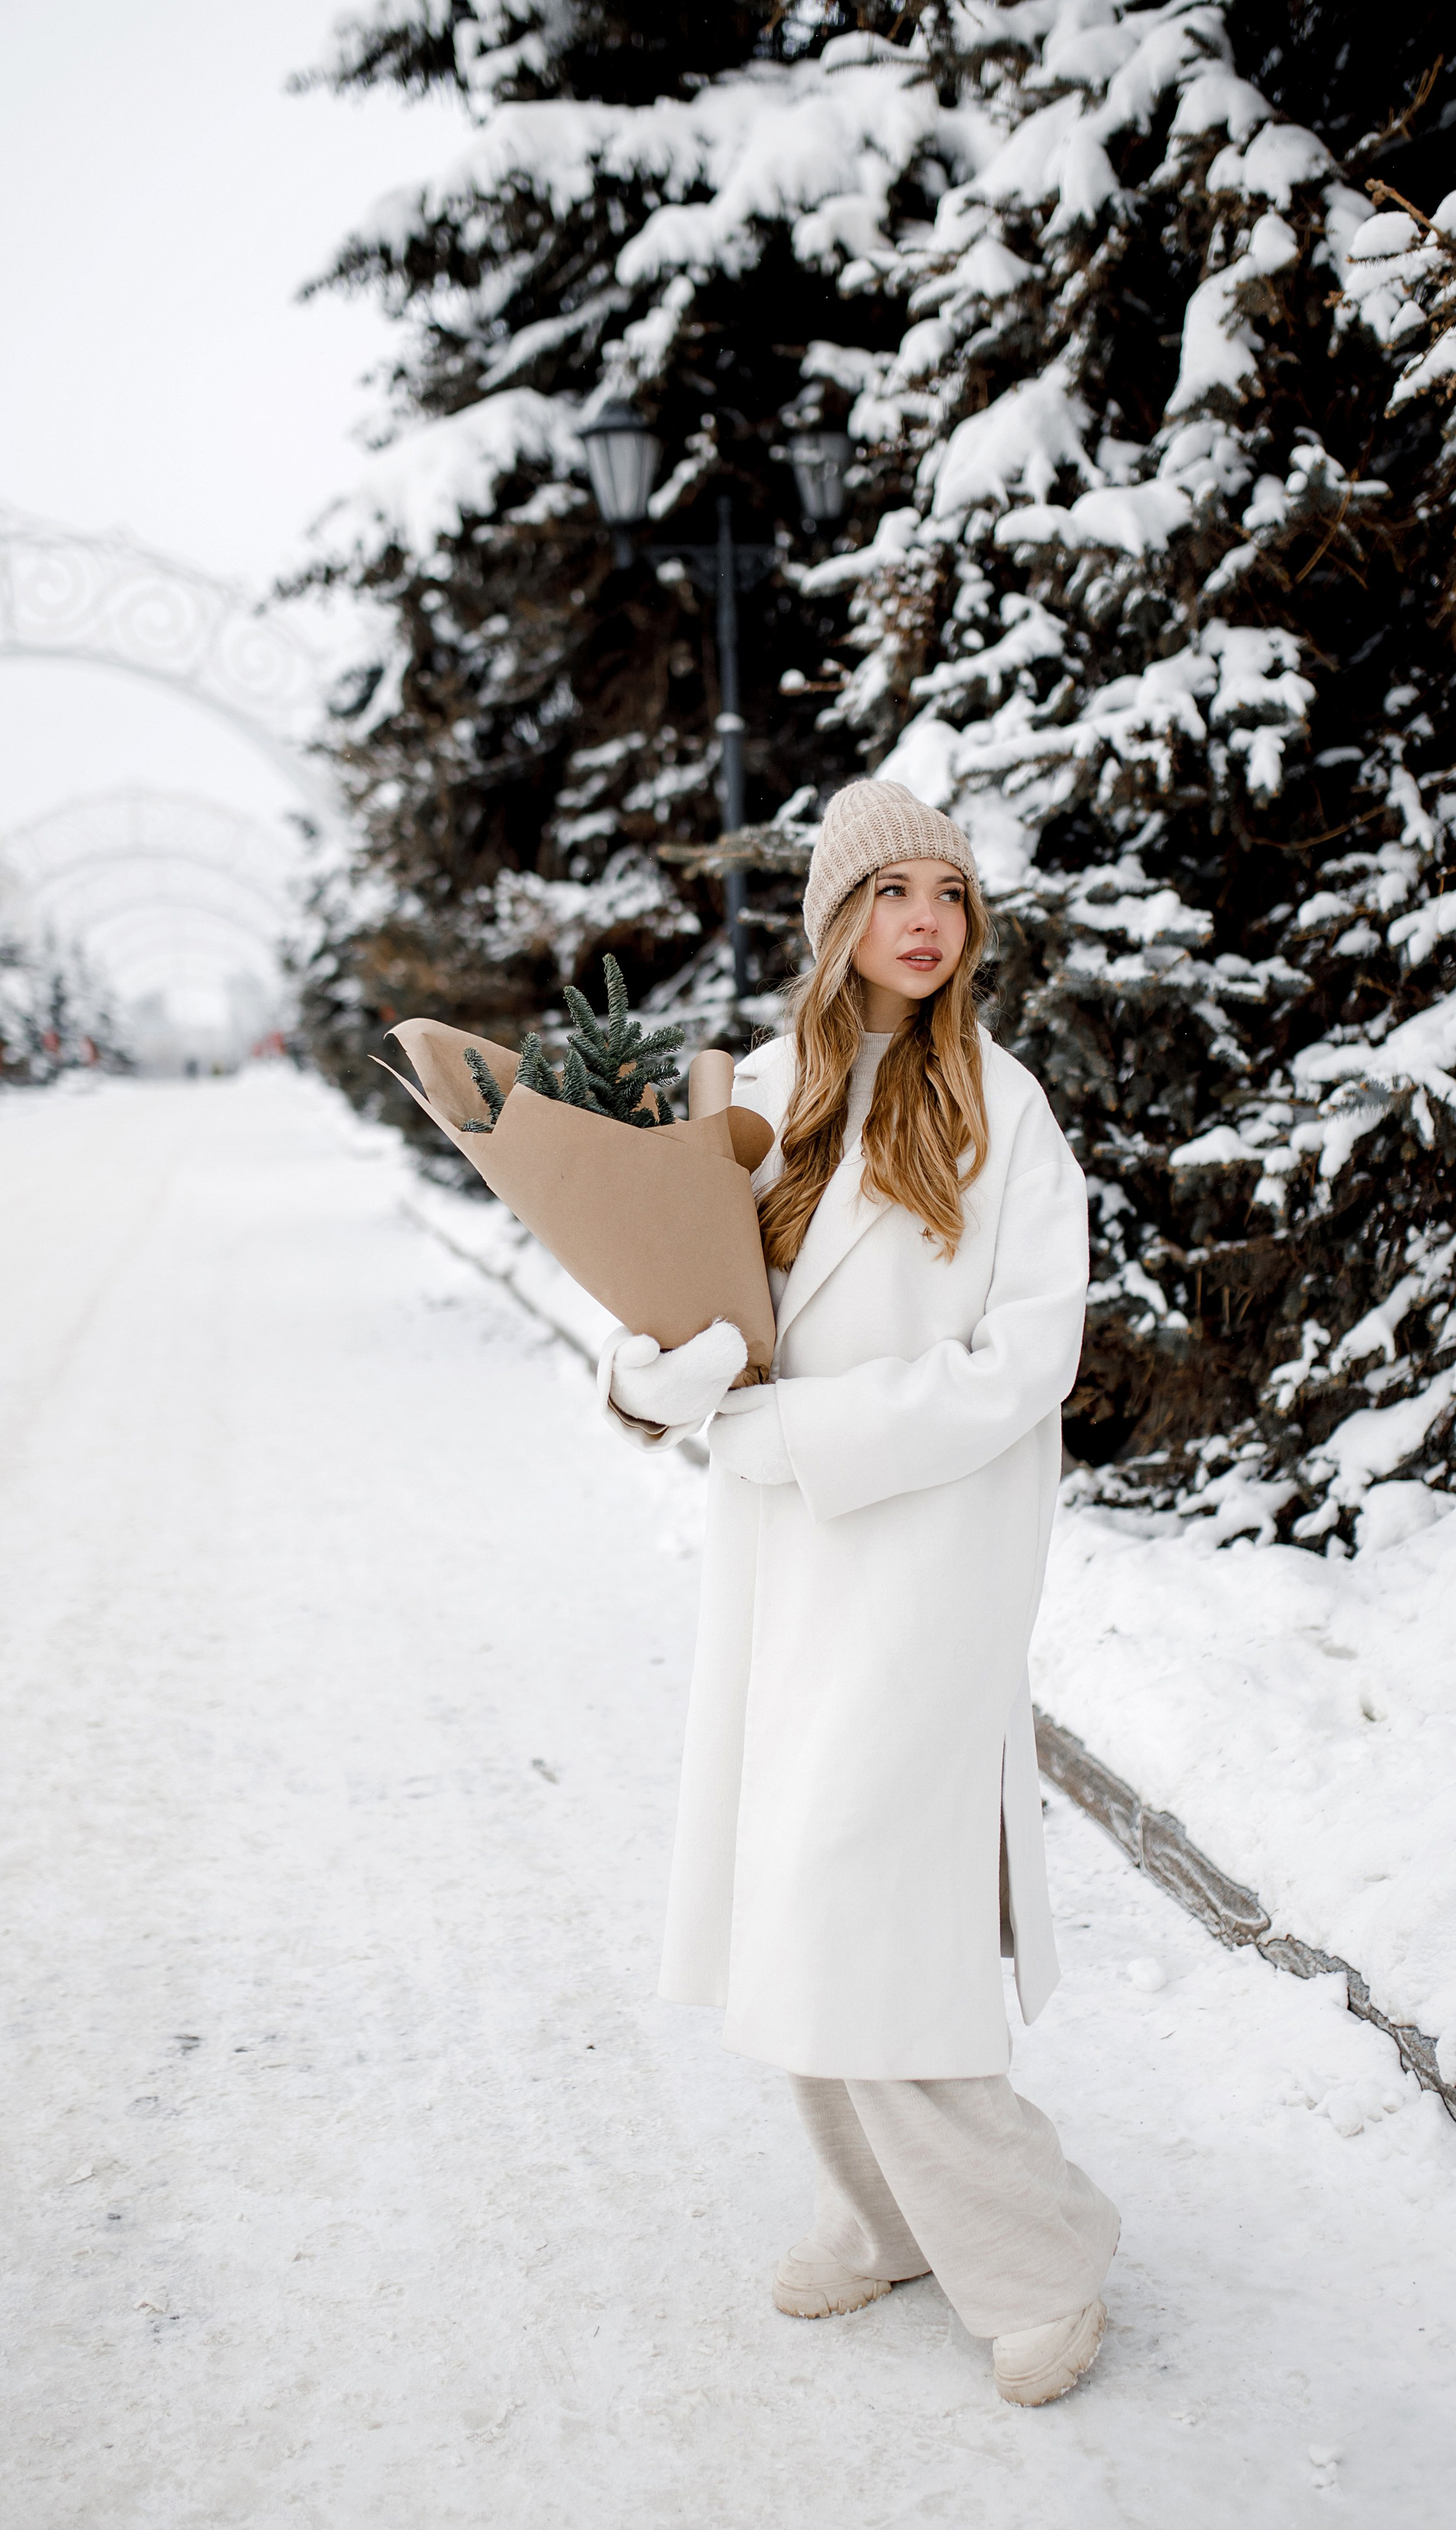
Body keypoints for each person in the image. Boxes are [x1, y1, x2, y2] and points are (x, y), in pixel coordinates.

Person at [598, 778, 1118, 2408]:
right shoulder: (755, 1094)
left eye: (946, 895)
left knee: (860, 1892)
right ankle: (881, 2211)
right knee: (790, 1893)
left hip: (926, 1551)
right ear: (835, 920)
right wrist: (648, 1379)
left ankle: (1039, 2251)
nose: (922, 919)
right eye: (888, 891)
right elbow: (679, 1305)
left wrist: (797, 1430)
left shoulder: (1002, 1107)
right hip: (785, 1562)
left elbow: (1027, 1359)